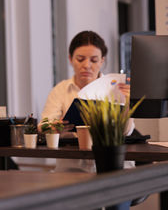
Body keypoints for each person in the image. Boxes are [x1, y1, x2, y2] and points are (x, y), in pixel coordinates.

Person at [40, 30, 134, 172]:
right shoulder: (61, 90)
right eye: (80, 59)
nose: (87, 65)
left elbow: (126, 131)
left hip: (113, 164)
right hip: (72, 166)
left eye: (94, 60)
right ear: (70, 59)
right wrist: (54, 127)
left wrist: (128, 103)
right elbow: (43, 126)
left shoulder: (116, 88)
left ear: (102, 60)